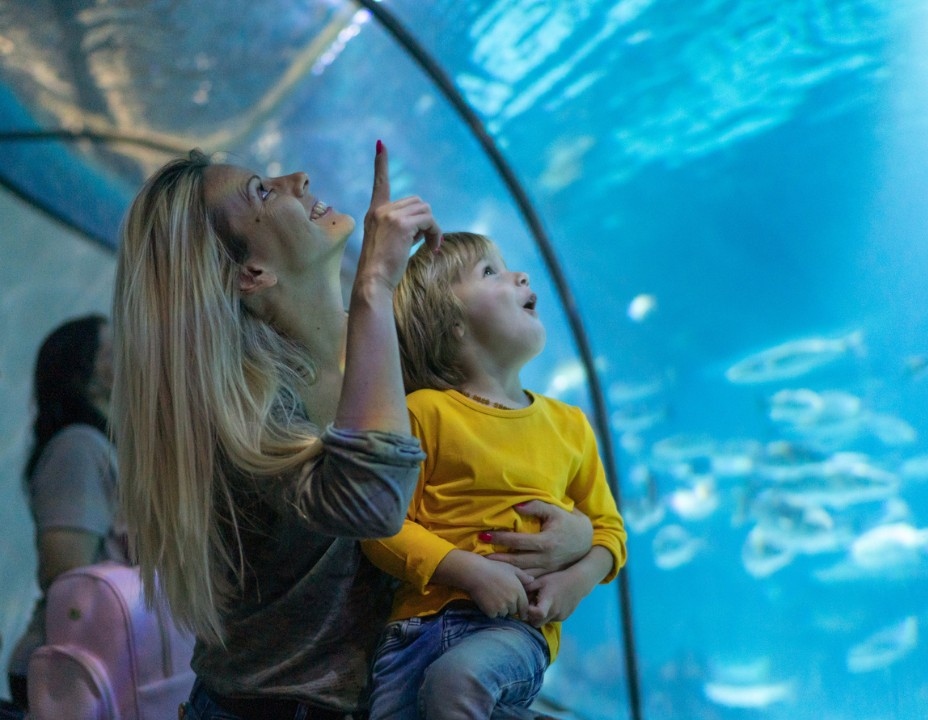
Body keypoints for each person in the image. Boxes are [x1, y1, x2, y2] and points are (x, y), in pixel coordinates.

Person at [111, 146, 592, 720]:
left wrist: (581, 538)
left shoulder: (391, 353)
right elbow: (374, 505)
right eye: (263, 192)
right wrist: (375, 285)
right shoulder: (254, 409)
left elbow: (491, 468)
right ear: (249, 272)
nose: (299, 177)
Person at [361, 231, 628, 719]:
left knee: (458, 679)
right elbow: (381, 527)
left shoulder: (569, 425)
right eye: (490, 271)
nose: (520, 275)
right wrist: (468, 570)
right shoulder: (423, 412)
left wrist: (576, 582)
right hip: (412, 635)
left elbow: (609, 530)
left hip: (513, 631)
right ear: (452, 323)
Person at [6, 314, 127, 711]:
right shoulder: (78, 446)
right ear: (85, 374)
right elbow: (65, 571)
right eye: (115, 349)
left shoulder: (103, 446)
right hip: (72, 676)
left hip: (89, 669)